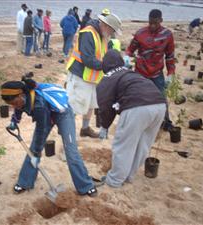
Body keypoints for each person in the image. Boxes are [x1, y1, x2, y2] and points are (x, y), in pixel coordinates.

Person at [0, 78, 97, 197]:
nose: (14, 106)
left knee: (71, 150)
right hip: (46, 114)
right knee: (34, 150)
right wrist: (14, 121)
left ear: (21, 95)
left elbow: (42, 129)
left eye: (14, 103)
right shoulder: (23, 99)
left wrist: (36, 154)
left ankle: (86, 186)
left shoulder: (38, 104)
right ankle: (25, 182)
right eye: (11, 105)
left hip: (63, 114)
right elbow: (18, 108)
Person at [97, 49, 166, 188]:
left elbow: (105, 106)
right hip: (160, 105)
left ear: (105, 65)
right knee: (142, 145)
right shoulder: (131, 73)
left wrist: (104, 125)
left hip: (137, 108)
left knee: (123, 144)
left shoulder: (108, 78)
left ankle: (115, 180)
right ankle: (128, 176)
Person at [66, 13, 122, 138]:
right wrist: (107, 65)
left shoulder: (101, 35)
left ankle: (85, 128)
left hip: (92, 77)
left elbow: (102, 54)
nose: (112, 34)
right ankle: (68, 139)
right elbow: (88, 60)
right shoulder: (88, 33)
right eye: (112, 30)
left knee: (91, 104)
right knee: (74, 107)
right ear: (106, 26)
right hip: (78, 75)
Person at [125, 9, 175, 131]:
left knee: (161, 98)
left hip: (157, 73)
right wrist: (126, 56)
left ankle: (166, 122)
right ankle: (133, 121)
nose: (152, 26)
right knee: (135, 97)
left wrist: (171, 73)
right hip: (140, 72)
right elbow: (130, 49)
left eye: (155, 23)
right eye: (150, 22)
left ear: (161, 21)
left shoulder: (167, 35)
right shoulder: (140, 33)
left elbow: (170, 56)